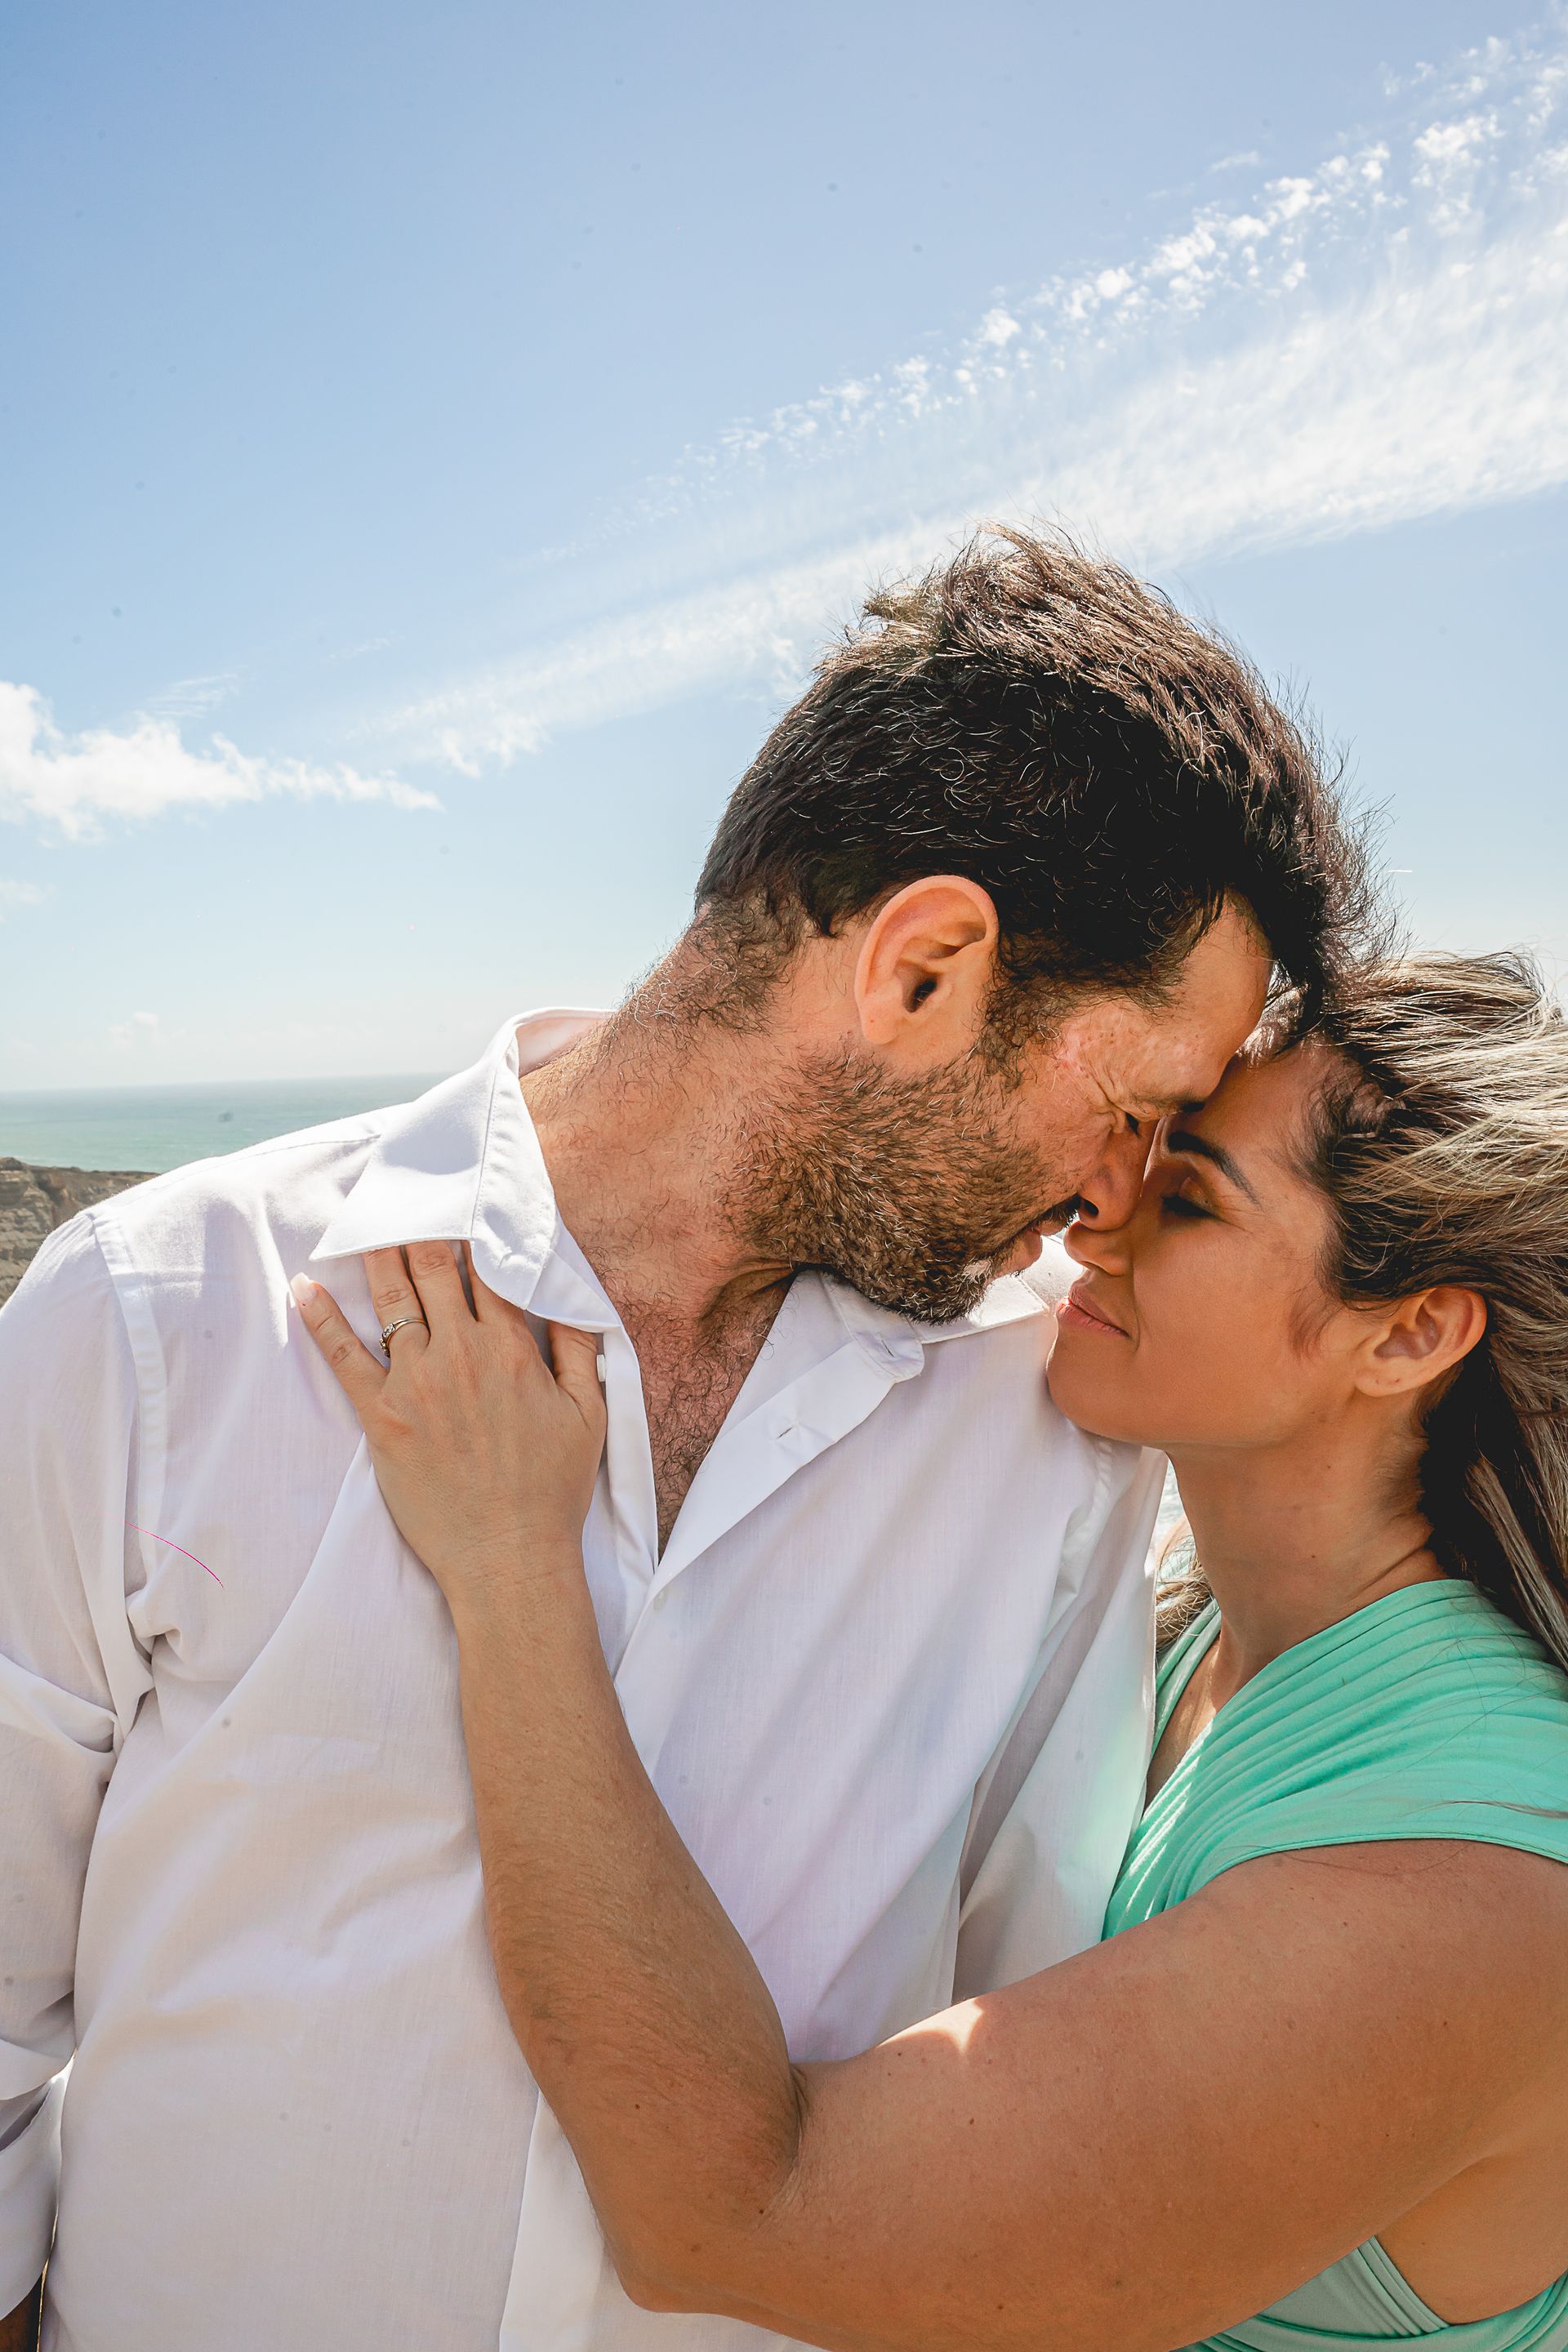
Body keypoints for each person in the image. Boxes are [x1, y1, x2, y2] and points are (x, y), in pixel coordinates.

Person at [0, 529, 1357, 2352]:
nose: (1112, 1200)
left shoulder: (1052, 1442)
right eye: (1127, 1108)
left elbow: (1015, 2021)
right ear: (926, 966)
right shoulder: (160, 1318)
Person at [299, 949, 1568, 2352]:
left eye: (1192, 1197)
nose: (1100, 1228)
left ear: (1412, 1335)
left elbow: (731, 2220)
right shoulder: (1204, 1632)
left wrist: (509, 1564)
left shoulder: (1459, 1896)